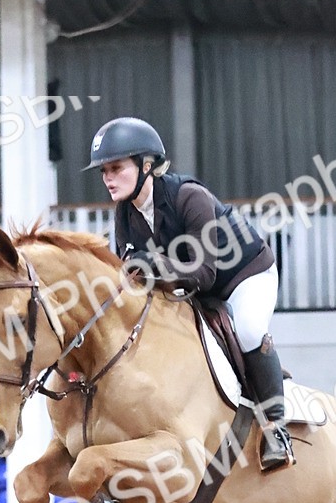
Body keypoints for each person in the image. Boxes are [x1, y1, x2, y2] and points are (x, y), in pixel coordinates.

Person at [86, 117, 294, 472]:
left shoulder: (189, 197)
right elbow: (132, 279)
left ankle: (276, 428)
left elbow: (205, 273)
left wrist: (154, 263)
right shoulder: (124, 214)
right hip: (191, 289)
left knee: (247, 329)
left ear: (146, 165)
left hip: (244, 276)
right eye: (104, 171)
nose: (108, 178)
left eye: (116, 168)